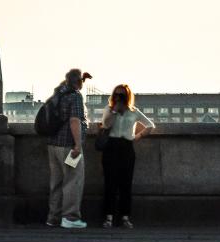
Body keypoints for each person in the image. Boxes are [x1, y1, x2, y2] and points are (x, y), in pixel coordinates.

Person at [101, 84, 155, 229]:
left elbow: (150, 125)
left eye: (122, 95)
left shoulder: (133, 111)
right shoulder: (109, 109)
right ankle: (108, 217)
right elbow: (105, 125)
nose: (119, 97)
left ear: (127, 96)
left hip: (126, 147)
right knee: (110, 184)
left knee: (126, 184)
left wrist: (136, 137)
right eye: (117, 94)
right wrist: (114, 111)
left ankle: (125, 217)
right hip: (111, 147)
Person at [46, 69, 92, 229]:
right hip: (68, 146)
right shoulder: (75, 96)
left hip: (53, 145)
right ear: (78, 82)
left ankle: (53, 217)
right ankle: (70, 218)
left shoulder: (58, 94)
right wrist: (78, 145)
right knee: (73, 181)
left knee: (57, 182)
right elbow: (74, 120)